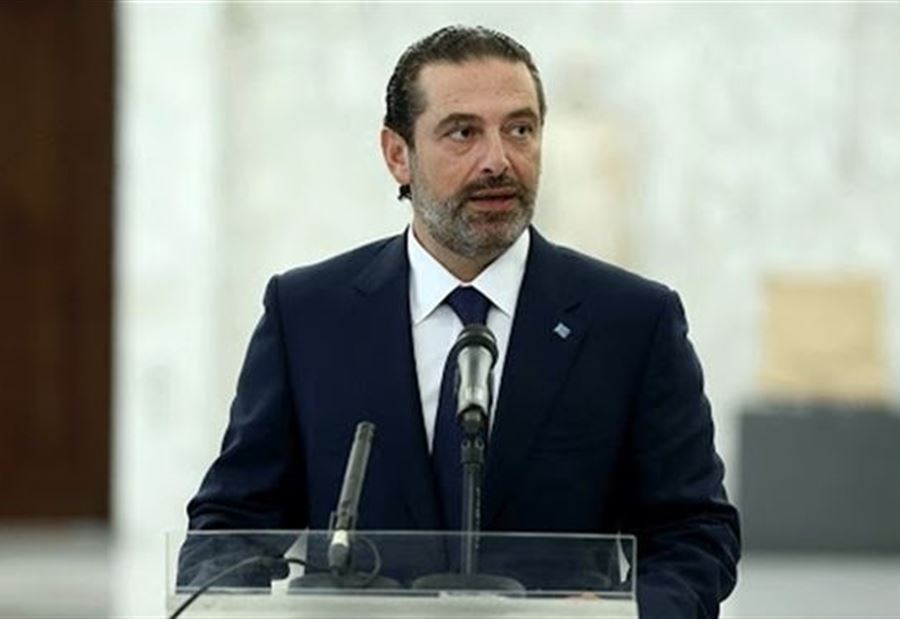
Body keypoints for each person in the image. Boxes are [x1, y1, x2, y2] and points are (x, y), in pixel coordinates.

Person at [183, 25, 740, 618]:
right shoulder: (307, 314)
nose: (498, 160)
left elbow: (693, 536)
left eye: (520, 130)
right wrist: (224, 601)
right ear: (398, 154)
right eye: (463, 132)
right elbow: (232, 526)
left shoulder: (632, 322)